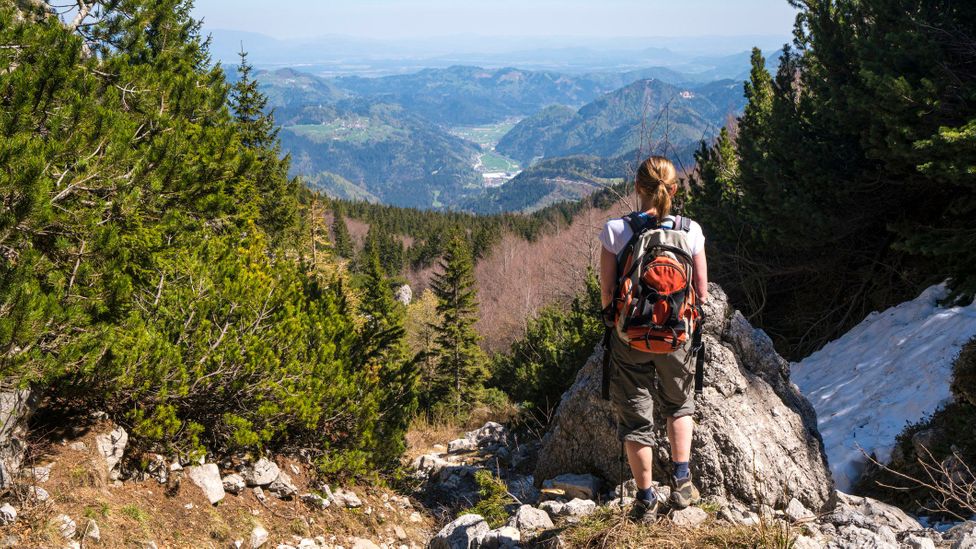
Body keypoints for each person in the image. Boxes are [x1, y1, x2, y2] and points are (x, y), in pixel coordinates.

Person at [598, 155, 708, 523]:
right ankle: (681, 481)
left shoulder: (616, 231)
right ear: (674, 189)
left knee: (636, 420)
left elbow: (607, 293)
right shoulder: (690, 231)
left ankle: (645, 500)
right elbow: (701, 292)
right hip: (677, 336)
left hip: (631, 338)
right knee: (679, 405)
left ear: (636, 188)